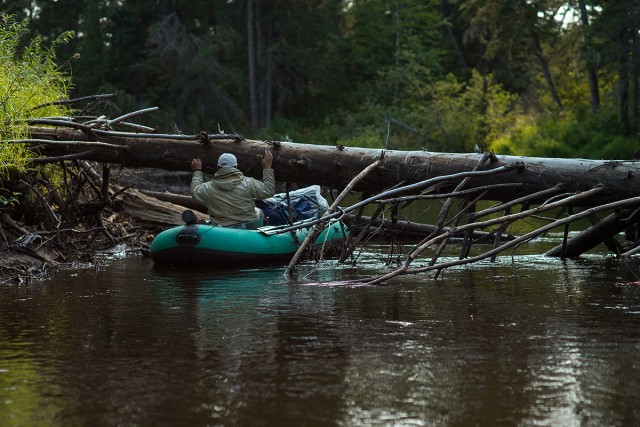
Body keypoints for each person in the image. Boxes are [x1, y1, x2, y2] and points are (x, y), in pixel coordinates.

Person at [190, 150, 275, 229]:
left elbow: (195, 192)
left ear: (217, 167)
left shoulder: (207, 188)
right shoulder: (249, 183)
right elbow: (268, 191)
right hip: (248, 230)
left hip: (221, 231)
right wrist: (267, 168)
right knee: (259, 212)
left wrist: (197, 171)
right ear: (236, 166)